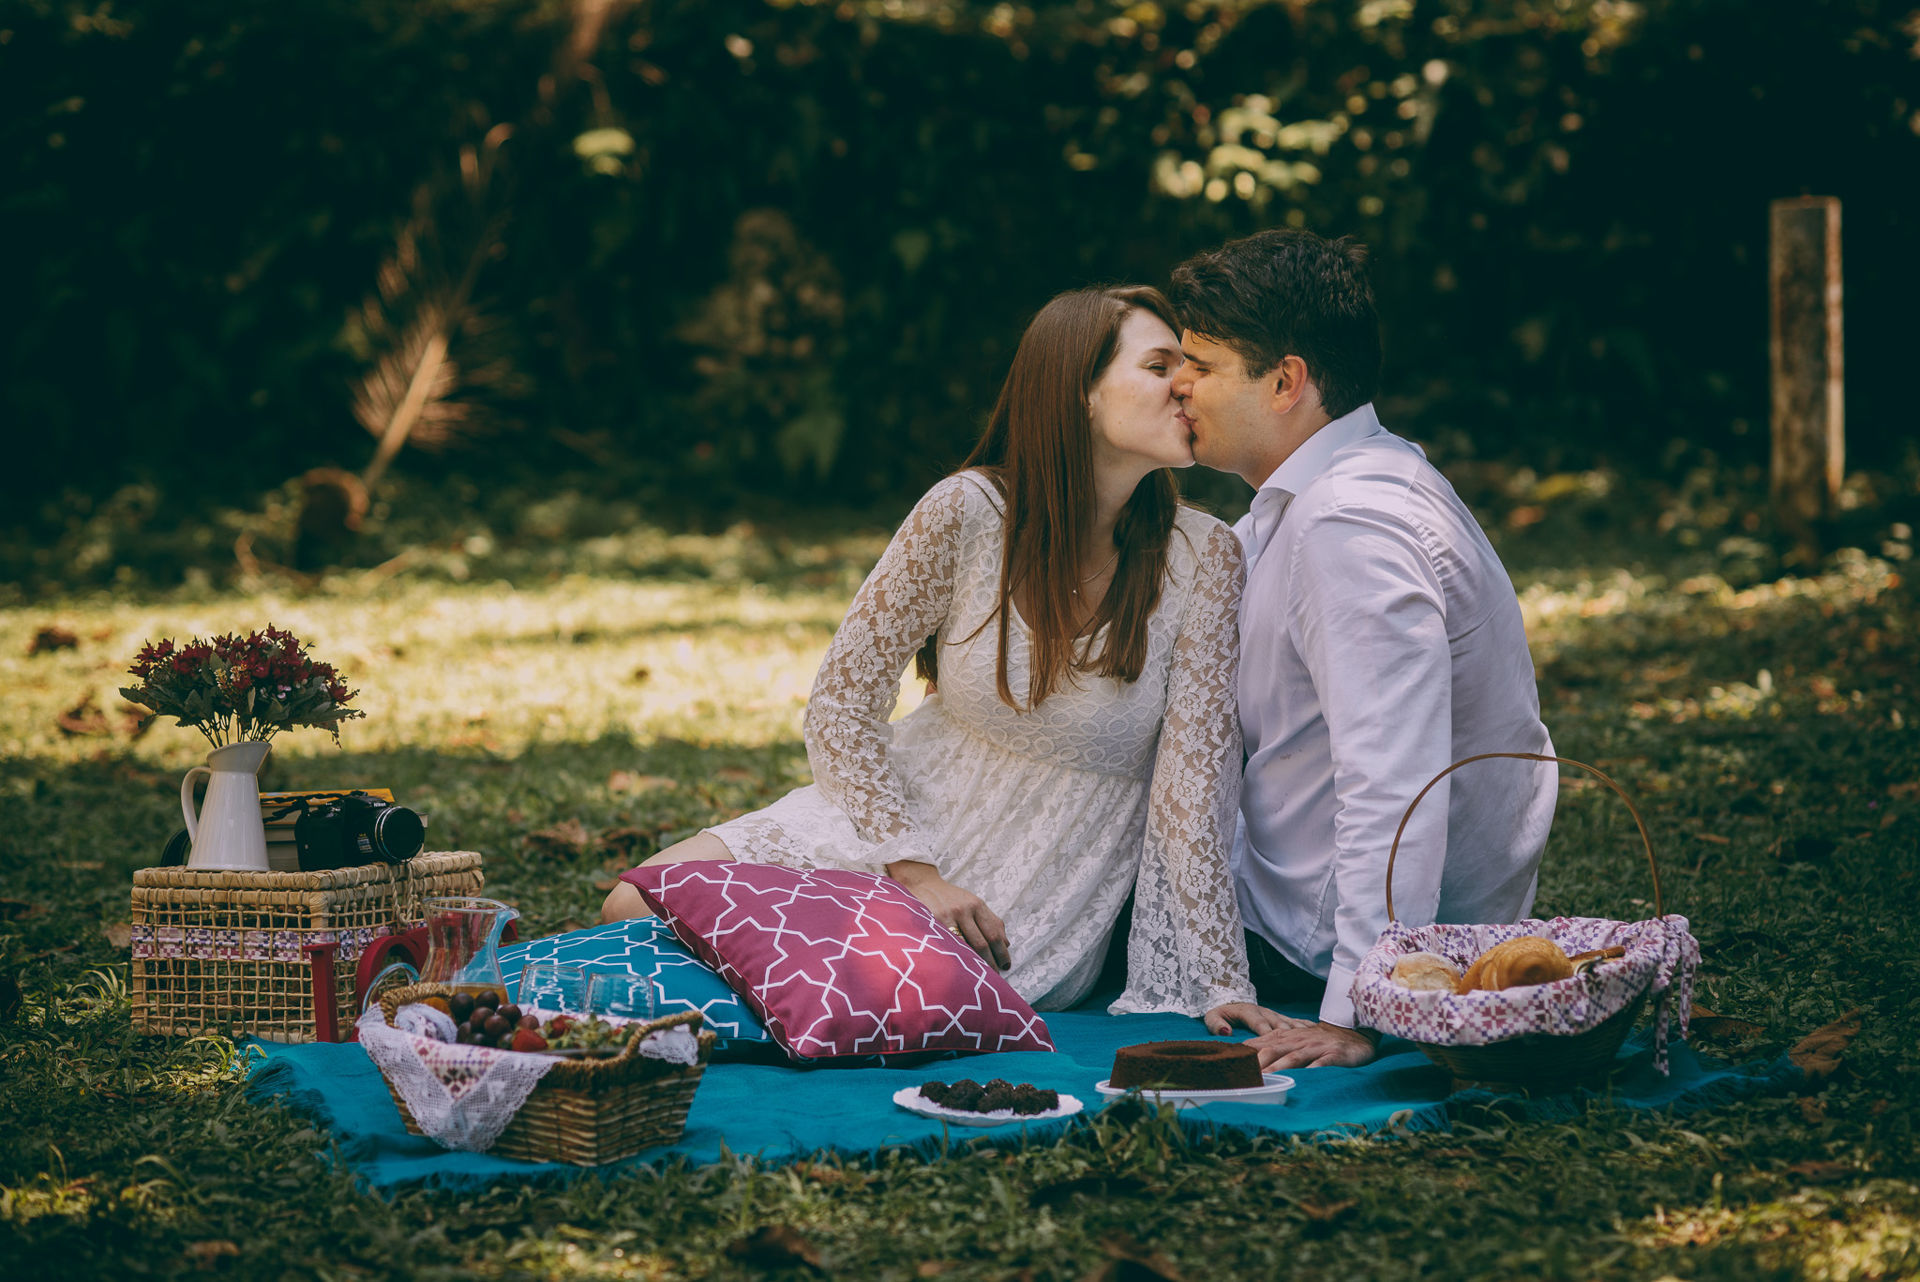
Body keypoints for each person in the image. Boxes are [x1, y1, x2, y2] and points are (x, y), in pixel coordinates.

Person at [603, 285, 1280, 1034]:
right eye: (1158, 365)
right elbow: (841, 704)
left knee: (868, 987)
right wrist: (915, 871)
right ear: (1079, 392)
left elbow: (1195, 793)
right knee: (638, 900)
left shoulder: (1205, 556)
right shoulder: (968, 512)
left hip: (1025, 895)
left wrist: (1222, 980)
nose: (1185, 385)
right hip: (890, 828)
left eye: (1187, 367)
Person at [1166, 229, 1558, 1068]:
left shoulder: (1348, 523)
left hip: (1317, 946)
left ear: (1286, 382)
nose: (1177, 384)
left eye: (1200, 363)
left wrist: (1359, 1007)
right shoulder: (1333, 491)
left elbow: (1395, 779)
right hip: (1301, 903)